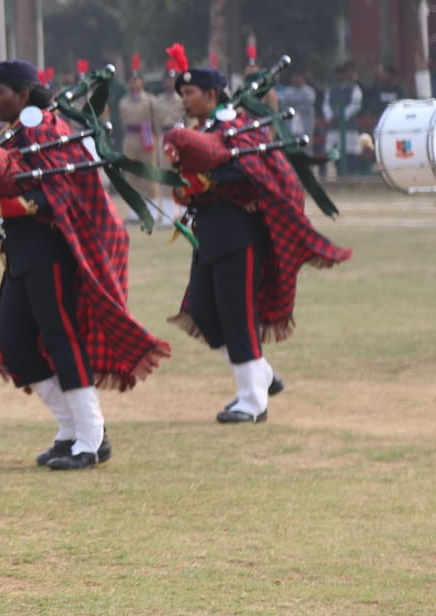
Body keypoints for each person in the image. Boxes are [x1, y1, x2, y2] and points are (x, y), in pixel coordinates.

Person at [0, 55, 170, 469]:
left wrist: (2, 206)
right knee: (15, 345)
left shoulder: (46, 129)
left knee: (61, 339)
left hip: (50, 251)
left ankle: (90, 439)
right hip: (21, 252)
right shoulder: (17, 131)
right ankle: (71, 428)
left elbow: (56, 195)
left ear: (23, 93)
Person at [165, 53, 351, 423]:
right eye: (182, 94)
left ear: (211, 94)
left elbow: (254, 170)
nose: (184, 100)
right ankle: (261, 374)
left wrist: (211, 181)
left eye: (190, 93)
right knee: (202, 311)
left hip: (240, 232)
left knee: (237, 314)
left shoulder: (237, 125)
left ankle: (253, 401)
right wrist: (187, 188)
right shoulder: (202, 129)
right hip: (209, 234)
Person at [116, 62, 161, 224]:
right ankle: (134, 212)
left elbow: (156, 122)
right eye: (131, 81)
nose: (134, 84)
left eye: (136, 80)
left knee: (149, 174)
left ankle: (153, 210)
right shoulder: (123, 101)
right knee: (131, 176)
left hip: (147, 138)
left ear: (142, 82)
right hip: (131, 138)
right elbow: (122, 122)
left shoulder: (150, 100)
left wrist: (156, 138)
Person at [322, 61, 363, 175]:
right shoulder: (330, 89)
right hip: (334, 128)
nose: (340, 76)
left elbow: (355, 105)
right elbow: (326, 105)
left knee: (351, 155)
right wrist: (331, 117)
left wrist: (342, 117)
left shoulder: (354, 89)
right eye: (338, 73)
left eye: (342, 73)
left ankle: (352, 178)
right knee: (334, 155)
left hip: (349, 128)